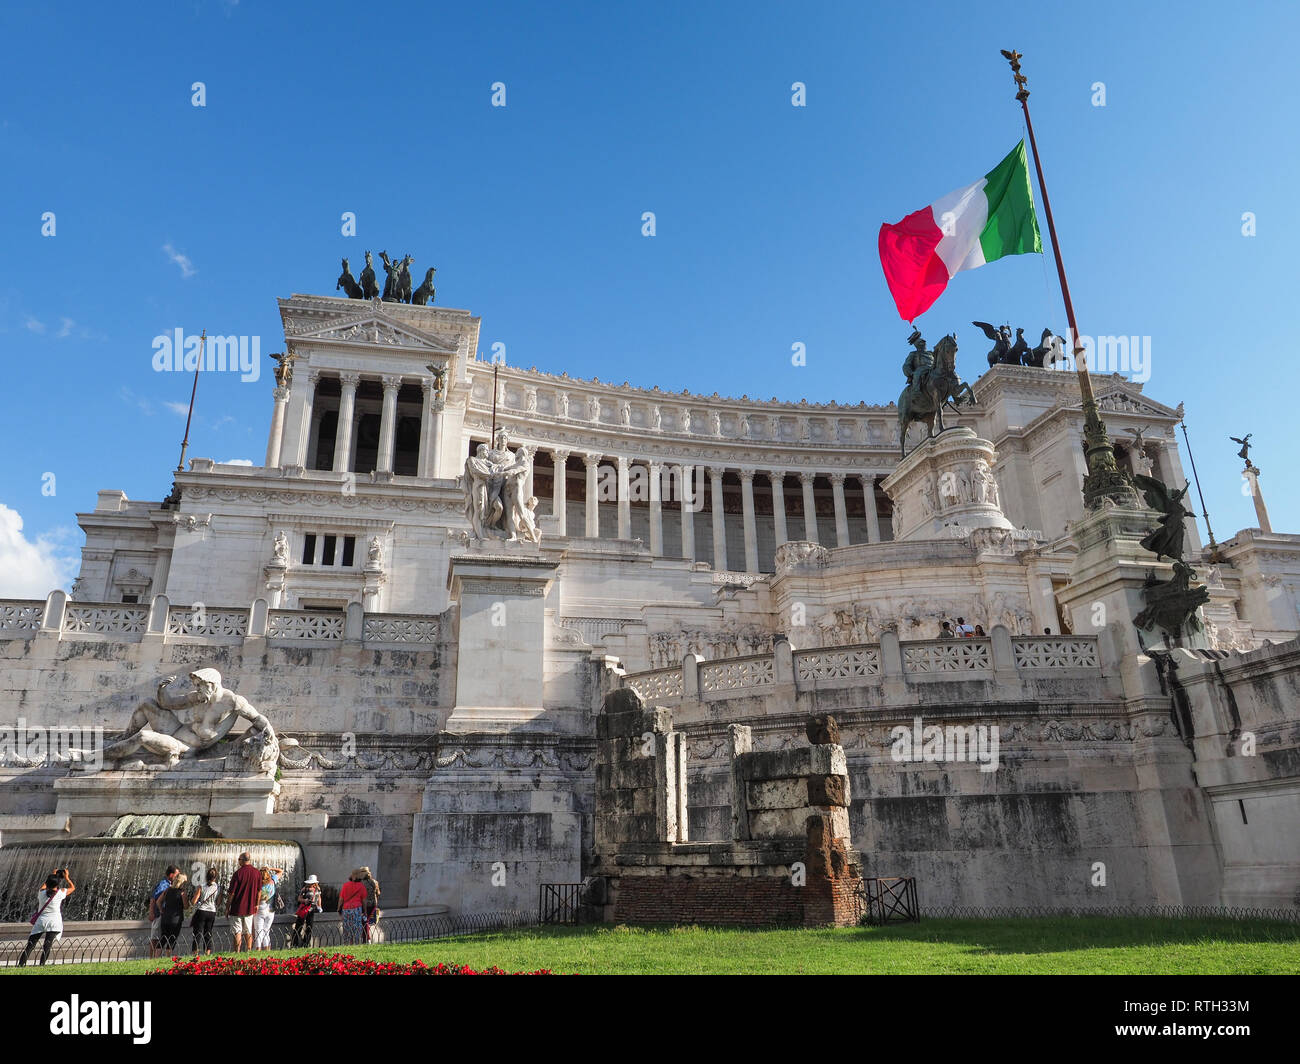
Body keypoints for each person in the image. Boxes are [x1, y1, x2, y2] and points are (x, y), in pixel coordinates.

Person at [19, 868, 74, 967]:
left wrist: (52, 875)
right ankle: (42, 965)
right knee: (47, 946)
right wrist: (67, 877)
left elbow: (45, 885)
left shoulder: (41, 893)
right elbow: (72, 887)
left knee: (30, 945)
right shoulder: (60, 892)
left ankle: (21, 964)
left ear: (47, 883)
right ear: (57, 885)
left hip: (41, 921)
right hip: (54, 922)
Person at [225, 852, 262, 952]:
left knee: (237, 931)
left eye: (239, 860)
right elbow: (259, 891)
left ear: (242, 860)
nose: (238, 862)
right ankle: (249, 950)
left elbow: (231, 893)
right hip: (249, 907)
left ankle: (237, 952)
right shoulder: (257, 873)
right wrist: (257, 904)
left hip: (237, 908)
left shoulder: (238, 874)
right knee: (248, 931)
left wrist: (227, 907)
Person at [148, 865, 179, 958]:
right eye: (176, 875)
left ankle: (155, 957)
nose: (177, 877)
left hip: (164, 915)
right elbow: (154, 899)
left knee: (160, 937)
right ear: (171, 875)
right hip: (158, 915)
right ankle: (151, 958)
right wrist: (152, 912)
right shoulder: (163, 884)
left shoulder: (169, 884)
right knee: (155, 938)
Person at [189, 866, 220, 954]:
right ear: (215, 877)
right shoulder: (218, 888)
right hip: (212, 912)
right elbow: (218, 903)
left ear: (206, 876)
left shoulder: (201, 886)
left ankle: (195, 952)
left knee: (197, 932)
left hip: (201, 911)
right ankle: (207, 952)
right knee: (208, 932)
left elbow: (194, 901)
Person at [254, 866, 285, 951]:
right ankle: (267, 949)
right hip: (270, 910)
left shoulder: (257, 884)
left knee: (258, 931)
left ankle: (258, 950)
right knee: (266, 931)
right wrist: (270, 868)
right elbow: (281, 871)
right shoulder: (272, 880)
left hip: (259, 909)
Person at [157, 873, 187, 953]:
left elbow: (158, 901)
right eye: (185, 882)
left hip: (165, 918)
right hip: (175, 920)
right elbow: (186, 906)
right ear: (182, 882)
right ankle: (167, 958)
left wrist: (161, 910)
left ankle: (155, 958)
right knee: (172, 939)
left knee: (163, 938)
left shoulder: (167, 890)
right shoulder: (182, 893)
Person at [338, 869, 369, 945]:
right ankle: (356, 943)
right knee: (356, 926)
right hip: (357, 909)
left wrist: (339, 908)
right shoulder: (362, 886)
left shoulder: (345, 885)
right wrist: (365, 911)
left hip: (346, 909)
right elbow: (364, 901)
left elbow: (341, 899)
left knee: (347, 927)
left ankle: (347, 944)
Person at [292, 875, 323, 948]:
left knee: (309, 927)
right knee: (299, 926)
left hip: (312, 910)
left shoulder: (317, 889)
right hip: (304, 909)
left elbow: (319, 898)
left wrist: (319, 906)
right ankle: (294, 944)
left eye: (312, 883)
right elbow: (299, 898)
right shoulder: (305, 889)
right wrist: (304, 900)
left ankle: (305, 943)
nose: (311, 884)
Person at [360, 867, 382, 941]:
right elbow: (378, 893)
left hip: (364, 905)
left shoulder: (361, 883)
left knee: (364, 922)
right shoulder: (375, 882)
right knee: (366, 921)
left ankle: (366, 939)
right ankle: (366, 938)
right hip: (373, 904)